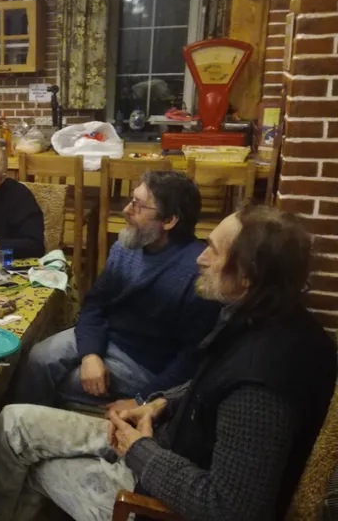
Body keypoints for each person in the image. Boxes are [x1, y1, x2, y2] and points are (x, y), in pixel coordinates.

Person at [0, 205, 337, 521]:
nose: (200, 258)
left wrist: (138, 451)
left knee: (31, 465)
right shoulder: (265, 314)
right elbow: (211, 385)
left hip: (152, 496)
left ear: (246, 275)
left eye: (213, 250)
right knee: (12, 422)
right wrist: (161, 403)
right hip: (163, 441)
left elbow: (230, 509)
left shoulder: (260, 385)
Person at [14, 171, 219, 410]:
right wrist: (91, 354)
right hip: (109, 336)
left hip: (144, 364)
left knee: (66, 382)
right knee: (38, 358)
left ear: (169, 221)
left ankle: (34, 425)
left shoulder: (197, 273)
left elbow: (191, 360)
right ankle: (23, 426)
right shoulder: (128, 245)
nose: (126, 211)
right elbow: (95, 304)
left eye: (139, 206)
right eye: (131, 201)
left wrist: (142, 400)